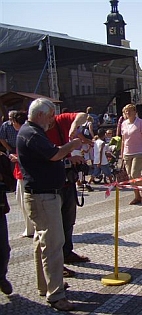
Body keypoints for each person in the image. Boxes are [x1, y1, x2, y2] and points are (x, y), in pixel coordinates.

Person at [17, 98, 82, 311]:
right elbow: (54, 154)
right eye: (51, 115)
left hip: (42, 195)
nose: (53, 120)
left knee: (41, 241)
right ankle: (56, 295)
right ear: (41, 115)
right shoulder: (32, 133)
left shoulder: (32, 131)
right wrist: (72, 145)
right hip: (43, 197)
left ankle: (45, 285)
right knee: (53, 244)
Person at [45, 108, 91, 273]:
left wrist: (74, 126)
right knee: (54, 226)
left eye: (52, 116)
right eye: (47, 117)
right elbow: (49, 155)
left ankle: (67, 252)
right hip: (50, 185)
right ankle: (57, 265)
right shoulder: (36, 131)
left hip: (67, 181)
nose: (50, 120)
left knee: (68, 219)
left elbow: (83, 115)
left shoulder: (59, 121)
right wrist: (68, 157)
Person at [9, 111, 35, 237]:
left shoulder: (24, 133)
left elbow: (29, 155)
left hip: (24, 173)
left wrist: (16, 158)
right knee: (22, 201)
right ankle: (28, 227)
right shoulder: (25, 132)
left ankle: (30, 228)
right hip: (21, 172)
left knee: (25, 202)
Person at [121, 104, 142, 205]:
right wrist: (121, 153)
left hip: (139, 151)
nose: (127, 113)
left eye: (129, 111)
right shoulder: (124, 124)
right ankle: (137, 196)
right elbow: (123, 140)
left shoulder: (140, 122)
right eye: (126, 111)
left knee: (135, 174)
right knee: (130, 177)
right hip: (127, 152)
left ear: (134, 112)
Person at [0, 152, 14, 296]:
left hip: (0, 210)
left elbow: (12, 184)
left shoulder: (1, 158)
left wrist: (3, 177)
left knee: (3, 250)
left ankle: (1, 276)